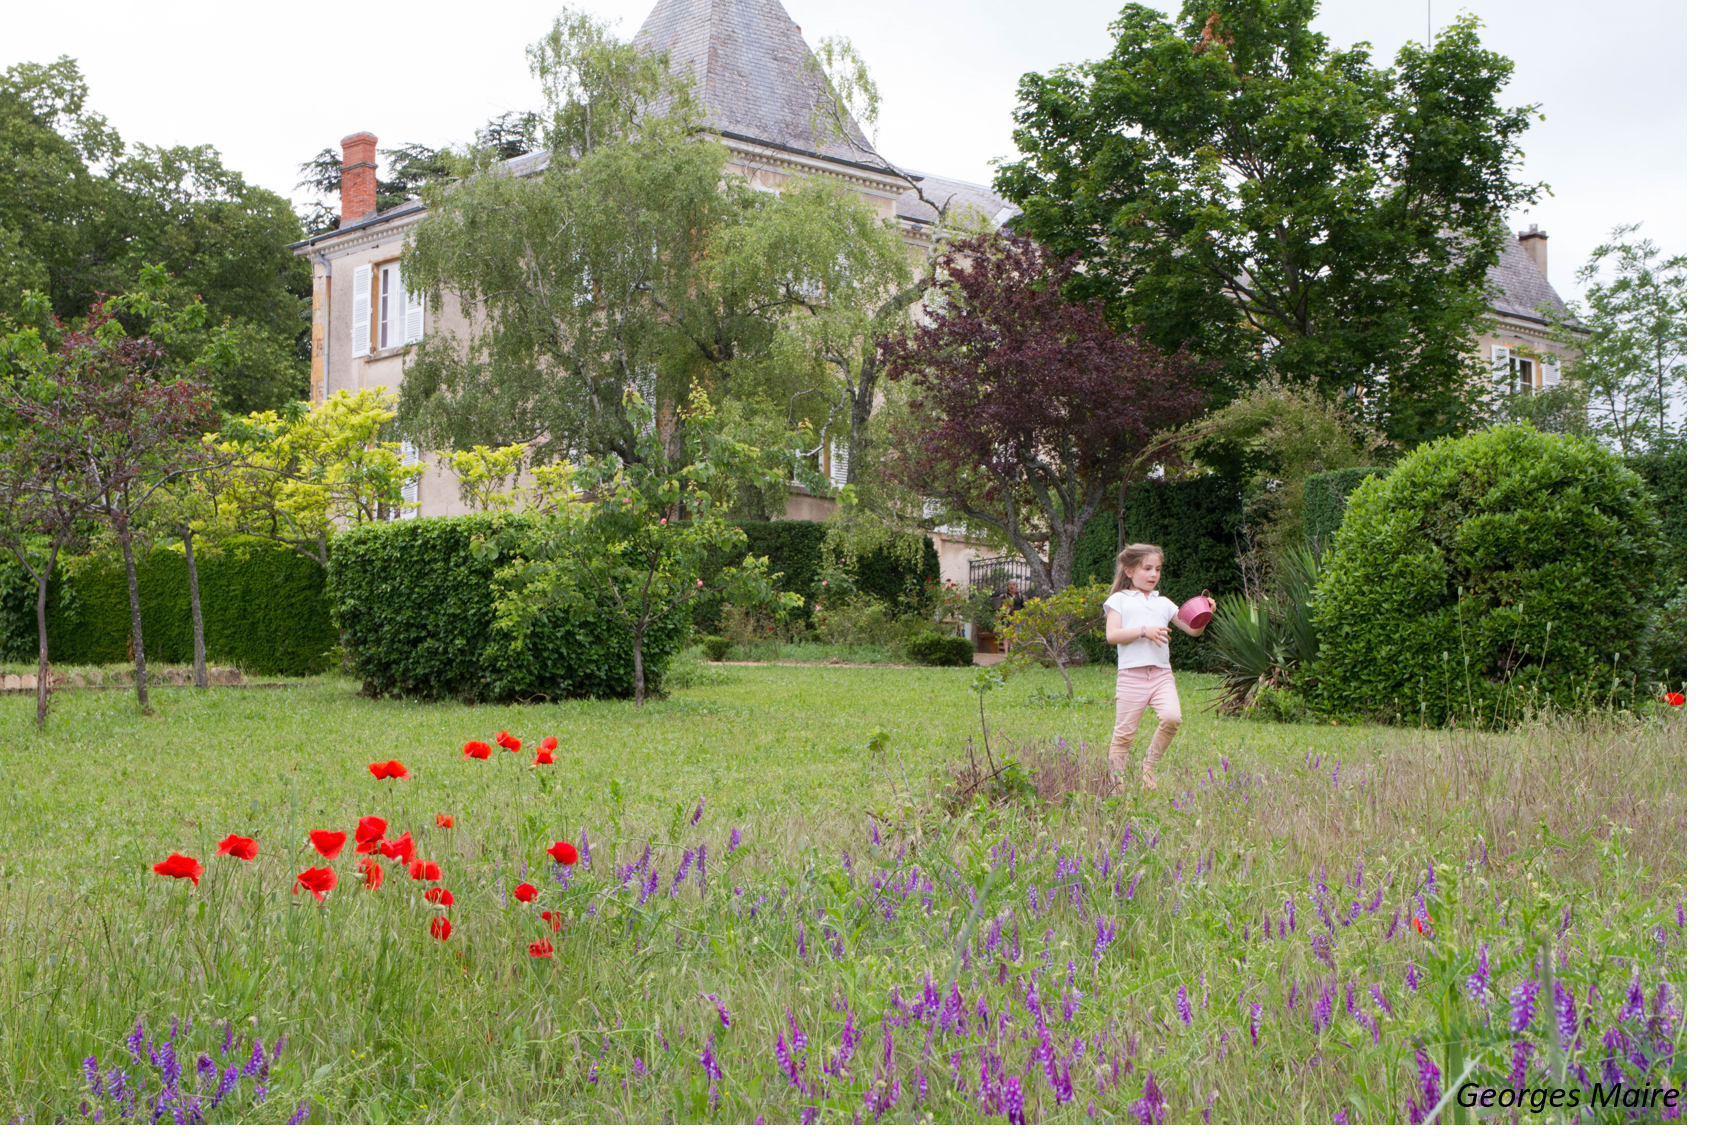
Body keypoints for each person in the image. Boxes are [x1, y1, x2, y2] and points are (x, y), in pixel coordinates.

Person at [1101, 543, 1215, 791]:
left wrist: (1206, 613)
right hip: (1131, 676)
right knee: (1123, 736)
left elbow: (1193, 630)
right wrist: (1144, 631)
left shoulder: (1163, 603)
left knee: (1173, 718)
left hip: (1162, 674)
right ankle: (1116, 788)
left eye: (1158, 569)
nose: (1154, 574)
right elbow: (1112, 635)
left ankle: (1148, 768)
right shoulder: (1119, 600)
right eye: (1148, 568)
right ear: (1129, 570)